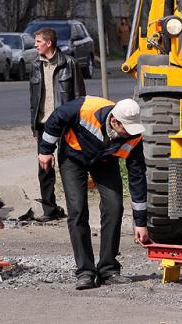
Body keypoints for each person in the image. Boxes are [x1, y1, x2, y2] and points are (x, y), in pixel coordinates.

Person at [39, 97, 150, 290]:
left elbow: (137, 178)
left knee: (114, 206)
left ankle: (108, 269)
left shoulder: (133, 136)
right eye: (126, 129)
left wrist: (140, 222)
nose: (129, 134)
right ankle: (85, 272)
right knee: (77, 210)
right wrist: (45, 150)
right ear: (114, 121)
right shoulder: (86, 108)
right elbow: (56, 118)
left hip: (105, 161)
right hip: (73, 156)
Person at [30, 27, 86, 222]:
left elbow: (80, 97)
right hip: (44, 124)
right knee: (44, 167)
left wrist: (78, 126)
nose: (35, 45)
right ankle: (49, 209)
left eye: (38, 41)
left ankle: (76, 209)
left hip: (66, 125)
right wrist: (35, 126)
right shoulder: (36, 65)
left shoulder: (70, 64)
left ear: (49, 43)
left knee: (69, 166)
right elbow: (34, 99)